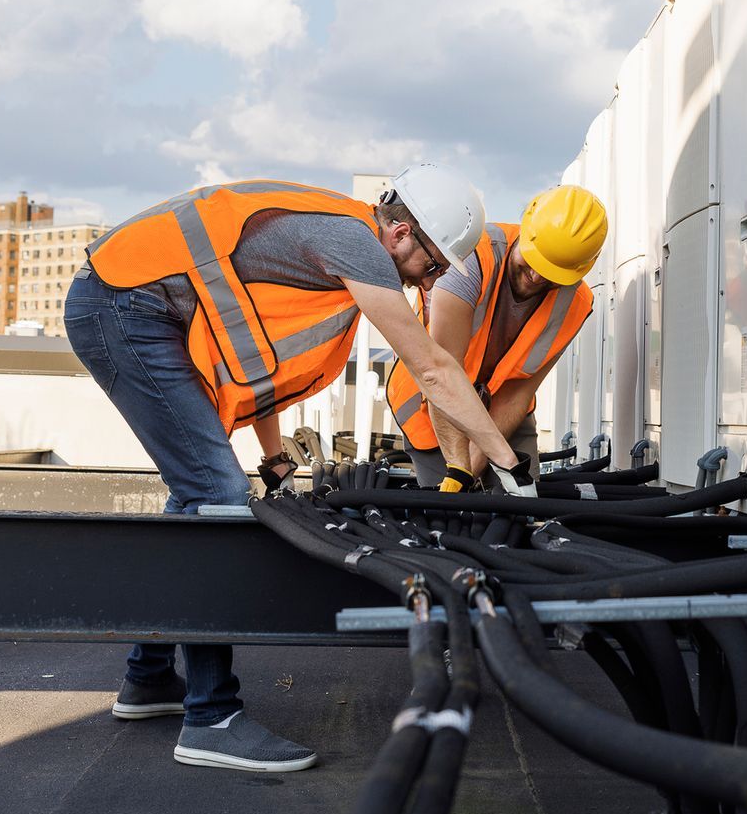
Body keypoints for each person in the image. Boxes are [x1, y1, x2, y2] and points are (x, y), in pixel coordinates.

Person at [64, 165, 537, 772]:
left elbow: (254, 361)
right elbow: (434, 369)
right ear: (400, 234)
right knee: (215, 496)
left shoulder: (337, 241)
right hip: (122, 308)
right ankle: (211, 718)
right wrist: (506, 464)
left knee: (195, 497)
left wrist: (275, 457)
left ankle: (148, 677)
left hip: (127, 304)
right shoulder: (356, 246)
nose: (435, 279)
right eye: (435, 263)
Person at [387, 185, 608, 490]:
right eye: (532, 262)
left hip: (504, 415)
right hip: (432, 408)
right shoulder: (470, 257)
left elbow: (518, 393)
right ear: (525, 231)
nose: (536, 277)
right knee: (445, 516)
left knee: (518, 511)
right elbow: (441, 372)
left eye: (552, 273)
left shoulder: (575, 304)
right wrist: (458, 470)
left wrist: (474, 469)